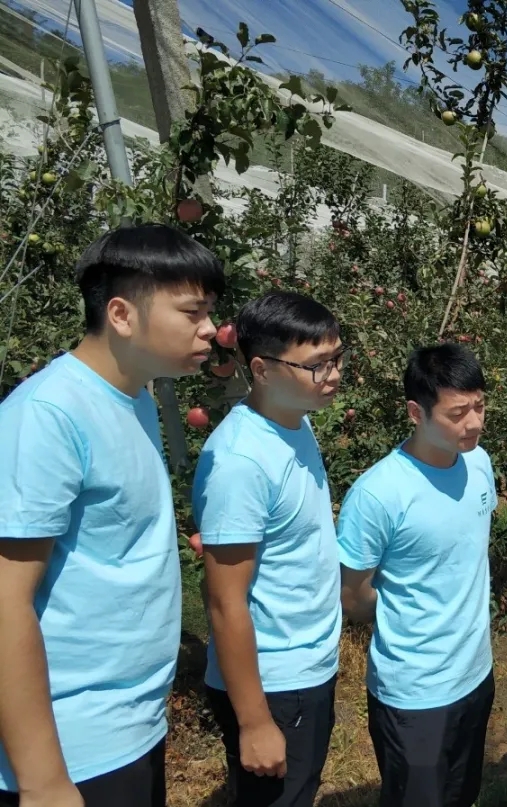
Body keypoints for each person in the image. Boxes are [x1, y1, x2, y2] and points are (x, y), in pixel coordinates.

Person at [0, 224, 225, 807]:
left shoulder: (134, 397)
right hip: (71, 746)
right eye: (193, 312)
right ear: (122, 314)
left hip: (129, 726)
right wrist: (43, 779)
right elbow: (4, 601)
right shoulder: (47, 415)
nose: (210, 329)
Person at [192, 291, 348, 807]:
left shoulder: (294, 420)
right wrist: (255, 722)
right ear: (261, 369)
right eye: (317, 365)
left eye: (337, 358)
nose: (333, 375)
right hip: (274, 681)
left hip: (304, 664)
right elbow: (224, 602)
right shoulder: (241, 463)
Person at [337, 343, 495, 807]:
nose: (474, 423)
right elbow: (353, 596)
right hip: (415, 691)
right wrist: (408, 619)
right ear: (415, 412)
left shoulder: (478, 463)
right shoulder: (379, 494)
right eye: (457, 413)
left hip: (476, 673)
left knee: (462, 794)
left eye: (479, 406)